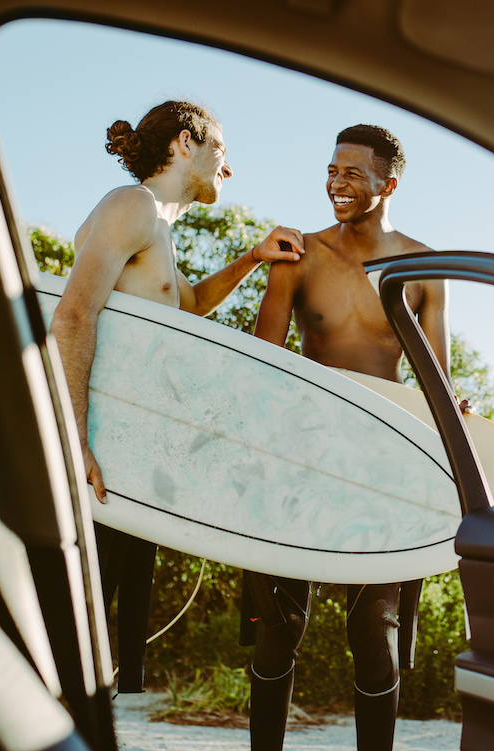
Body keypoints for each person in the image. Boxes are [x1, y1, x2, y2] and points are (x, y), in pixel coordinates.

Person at [51, 100, 303, 693]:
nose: (229, 168)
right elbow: (73, 318)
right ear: (186, 143)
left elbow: (189, 305)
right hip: (101, 456)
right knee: (74, 645)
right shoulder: (130, 205)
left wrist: (253, 257)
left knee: (103, 659)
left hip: (133, 458)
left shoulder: (157, 228)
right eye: (222, 150)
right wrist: (73, 440)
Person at [249, 124, 456, 751]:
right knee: (279, 627)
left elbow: (435, 380)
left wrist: (451, 417)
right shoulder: (300, 255)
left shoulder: (423, 267)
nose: (337, 183)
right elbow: (263, 362)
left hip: (381, 461)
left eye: (353, 174)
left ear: (388, 184)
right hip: (301, 451)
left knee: (373, 628)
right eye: (332, 170)